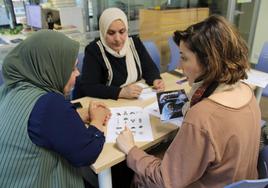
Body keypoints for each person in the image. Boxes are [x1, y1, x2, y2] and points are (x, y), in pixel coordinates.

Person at [116, 15, 261, 187]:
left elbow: (163, 180)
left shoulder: (201, 117)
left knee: (139, 176)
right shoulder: (247, 91)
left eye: (184, 58)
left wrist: (131, 149)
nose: (179, 65)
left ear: (209, 62)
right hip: (237, 180)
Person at [0, 30, 111, 188]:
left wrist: (74, 115)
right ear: (51, 67)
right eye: (72, 69)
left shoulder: (10, 89)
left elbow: (38, 125)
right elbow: (87, 152)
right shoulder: (49, 104)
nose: (77, 74)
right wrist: (98, 120)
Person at [73, 7, 165, 100]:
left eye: (122, 32)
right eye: (111, 33)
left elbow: (149, 68)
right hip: (109, 103)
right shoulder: (94, 50)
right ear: (103, 31)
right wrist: (121, 92)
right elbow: (89, 87)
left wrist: (155, 79)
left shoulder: (134, 43)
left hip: (137, 99)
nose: (118, 39)